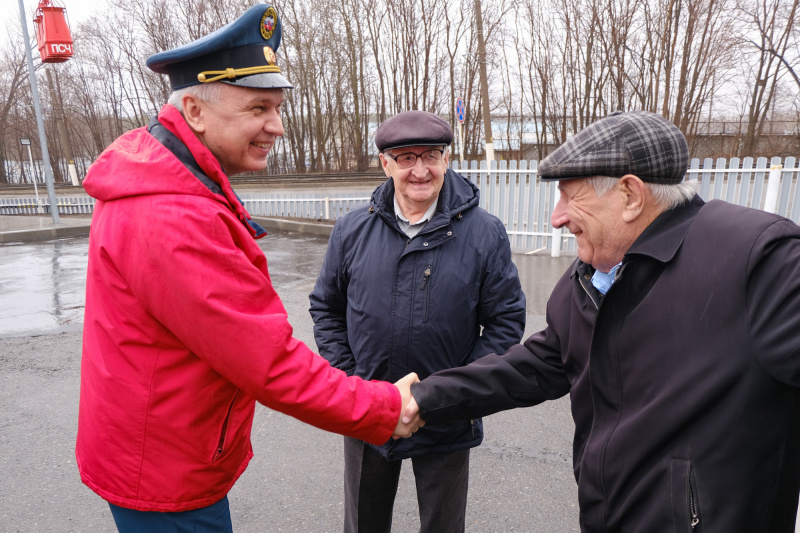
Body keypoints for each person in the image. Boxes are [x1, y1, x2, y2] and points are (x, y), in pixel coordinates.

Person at [75, 5, 420, 532]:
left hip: (157, 451)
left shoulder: (169, 182)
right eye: (259, 108)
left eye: (278, 108)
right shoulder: (175, 214)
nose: (277, 127)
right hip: (168, 477)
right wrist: (381, 408)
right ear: (194, 110)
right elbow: (269, 362)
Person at [402, 110, 800, 532]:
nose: (557, 217)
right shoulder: (590, 278)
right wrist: (423, 398)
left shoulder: (759, 259)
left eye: (570, 196)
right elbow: (529, 367)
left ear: (630, 195)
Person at [309, 110, 526, 532]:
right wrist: (354, 383)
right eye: (406, 157)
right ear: (385, 164)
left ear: (446, 160)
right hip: (367, 407)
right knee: (364, 522)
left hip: (445, 414)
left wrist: (451, 392)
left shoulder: (485, 233)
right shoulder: (351, 231)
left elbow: (505, 322)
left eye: (431, 155)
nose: (420, 170)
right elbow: (326, 308)